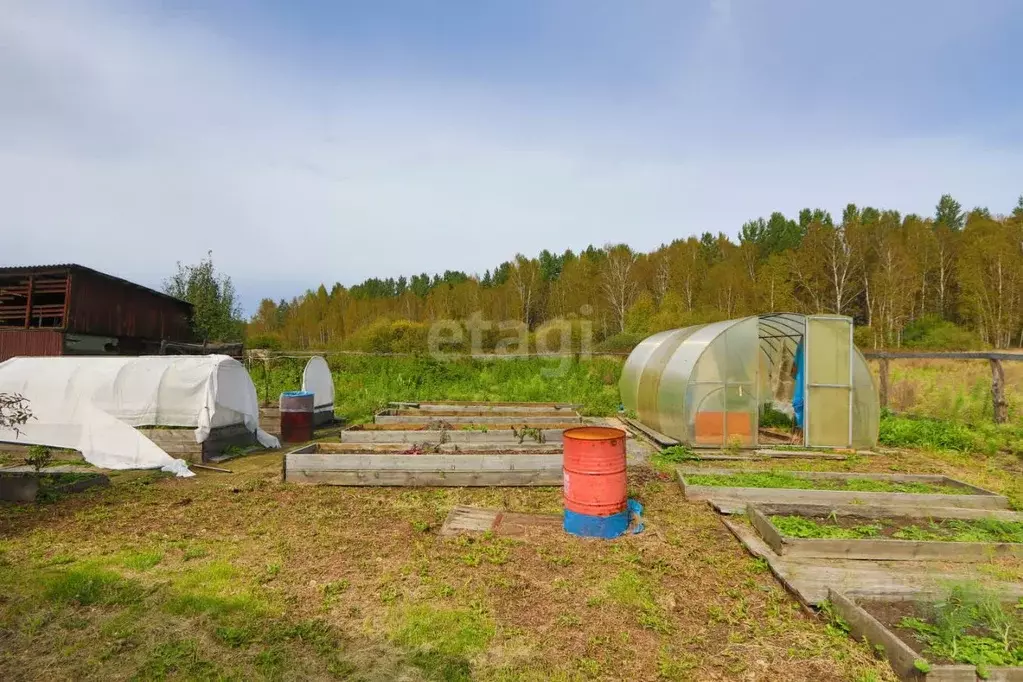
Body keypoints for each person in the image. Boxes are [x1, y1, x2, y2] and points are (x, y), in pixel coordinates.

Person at [790, 339, 805, 443]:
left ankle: (800, 435)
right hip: (802, 381)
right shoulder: (801, 349)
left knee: (799, 403)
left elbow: (793, 371)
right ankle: (800, 434)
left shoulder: (801, 349)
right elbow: (794, 369)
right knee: (799, 403)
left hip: (802, 380)